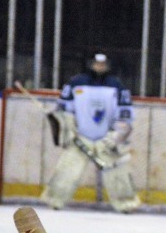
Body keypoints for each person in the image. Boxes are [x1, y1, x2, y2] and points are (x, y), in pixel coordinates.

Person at [40, 53, 140, 213]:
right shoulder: (76, 83)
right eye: (96, 63)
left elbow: (125, 115)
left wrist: (116, 136)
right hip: (81, 137)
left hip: (106, 140)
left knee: (117, 172)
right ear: (90, 64)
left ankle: (126, 204)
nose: (99, 67)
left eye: (103, 64)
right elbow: (66, 111)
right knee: (67, 170)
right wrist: (69, 129)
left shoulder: (117, 86)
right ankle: (54, 200)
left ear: (108, 65)